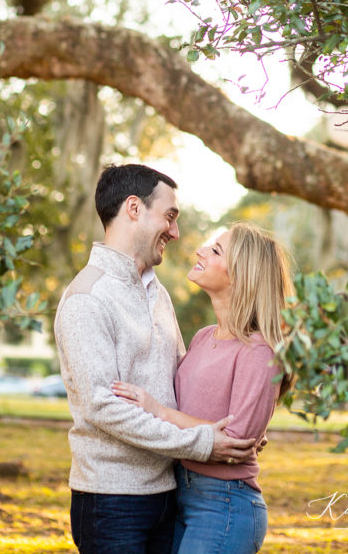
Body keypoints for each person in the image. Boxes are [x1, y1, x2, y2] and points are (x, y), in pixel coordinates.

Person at [54, 164, 258, 554]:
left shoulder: (156, 292)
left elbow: (182, 379)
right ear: (134, 208)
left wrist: (234, 422)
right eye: (169, 216)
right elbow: (103, 407)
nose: (175, 232)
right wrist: (201, 442)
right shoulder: (87, 298)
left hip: (170, 493)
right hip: (112, 501)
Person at [112, 221, 294, 554]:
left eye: (215, 250)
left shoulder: (259, 350)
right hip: (181, 494)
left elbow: (235, 441)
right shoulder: (202, 337)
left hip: (223, 504)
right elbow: (208, 424)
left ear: (241, 274)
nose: (200, 251)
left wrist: (160, 411)